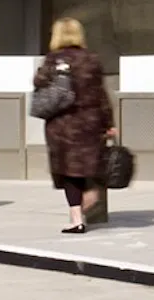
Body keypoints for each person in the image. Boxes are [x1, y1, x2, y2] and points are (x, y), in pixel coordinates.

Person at [35, 16, 116, 235]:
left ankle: (76, 218)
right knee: (90, 164)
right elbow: (101, 94)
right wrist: (109, 123)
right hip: (89, 121)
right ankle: (92, 195)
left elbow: (39, 82)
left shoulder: (53, 60)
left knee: (68, 170)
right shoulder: (92, 59)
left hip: (61, 124)